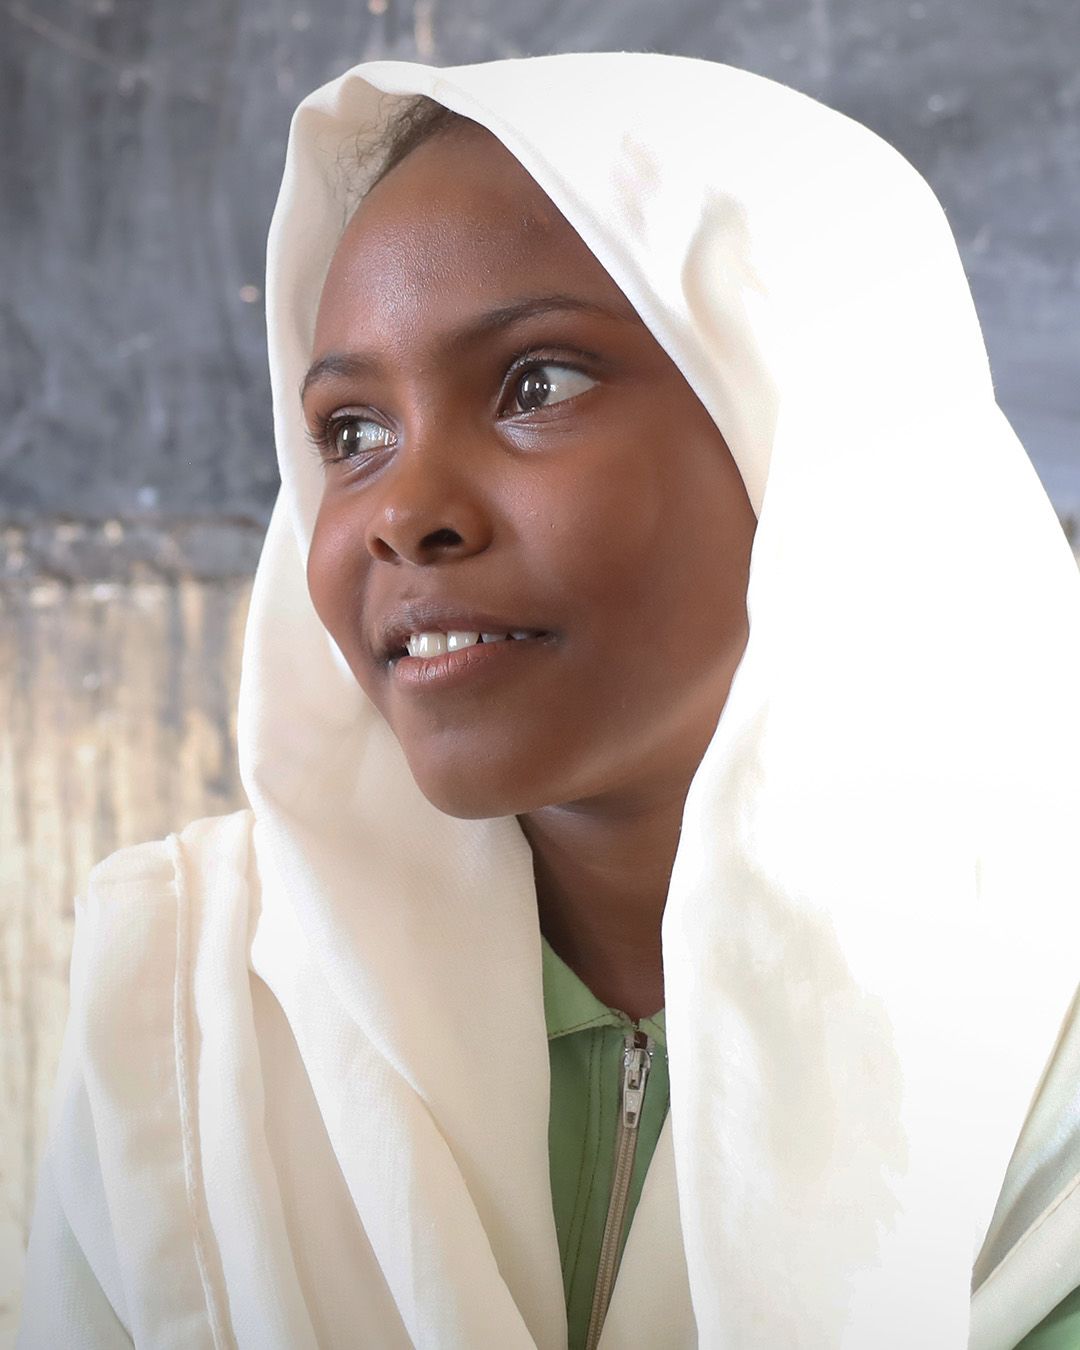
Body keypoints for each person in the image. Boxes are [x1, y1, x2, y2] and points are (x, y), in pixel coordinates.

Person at [17, 51, 1080, 1349]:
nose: (403, 513)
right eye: (352, 433)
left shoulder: (1051, 1047)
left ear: (815, 427)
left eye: (539, 384)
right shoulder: (196, 1001)